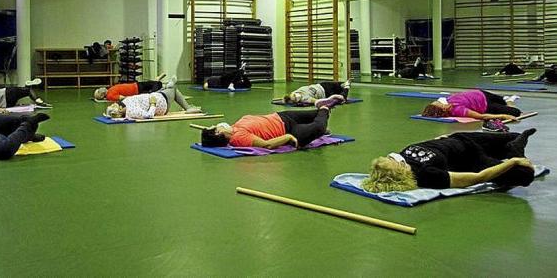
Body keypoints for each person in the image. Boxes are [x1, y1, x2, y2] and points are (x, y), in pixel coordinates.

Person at [362, 129, 537, 192]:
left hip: (460, 137)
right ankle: (514, 153)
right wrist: (512, 162)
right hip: (471, 157)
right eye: (391, 160)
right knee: (525, 175)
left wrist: (439, 139)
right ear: (399, 172)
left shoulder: (403, 154)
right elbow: (478, 178)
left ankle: (512, 149)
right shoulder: (425, 175)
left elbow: (431, 146)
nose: (391, 157)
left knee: (514, 136)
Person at [200, 94, 345, 149]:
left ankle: (322, 110)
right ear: (220, 134)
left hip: (282, 117)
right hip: (289, 131)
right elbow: (266, 145)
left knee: (316, 114)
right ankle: (324, 108)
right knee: (320, 125)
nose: (219, 125)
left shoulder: (233, 128)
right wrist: (288, 137)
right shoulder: (239, 138)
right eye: (216, 128)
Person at [105, 80, 201, 119]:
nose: (114, 104)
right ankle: (188, 108)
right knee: (174, 89)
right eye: (114, 106)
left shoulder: (124, 102)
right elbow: (149, 115)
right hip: (160, 103)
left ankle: (165, 87)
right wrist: (153, 104)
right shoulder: (132, 111)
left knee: (164, 88)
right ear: (120, 110)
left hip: (153, 96)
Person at [421, 89, 521, 126]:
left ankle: (507, 100)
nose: (440, 103)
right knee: (515, 112)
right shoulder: (457, 110)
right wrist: (504, 116)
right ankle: (510, 101)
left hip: (481, 93)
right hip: (486, 106)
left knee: (502, 100)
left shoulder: (444, 102)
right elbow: (481, 116)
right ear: (442, 110)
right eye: (440, 105)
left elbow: (435, 103)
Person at [94, 74, 167, 101]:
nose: (101, 88)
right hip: (136, 90)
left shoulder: (109, 90)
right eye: (99, 91)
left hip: (135, 85)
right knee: (156, 86)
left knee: (153, 84)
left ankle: (157, 81)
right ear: (102, 95)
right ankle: (160, 83)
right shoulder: (109, 96)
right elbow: (122, 98)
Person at [284, 80, 350, 105]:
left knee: (341, 84)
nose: (297, 96)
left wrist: (285, 99)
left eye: (295, 95)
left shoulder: (295, 92)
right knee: (342, 98)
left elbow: (287, 97)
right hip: (326, 93)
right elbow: (317, 101)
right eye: (295, 99)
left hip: (322, 85)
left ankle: (345, 84)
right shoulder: (305, 99)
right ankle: (347, 87)